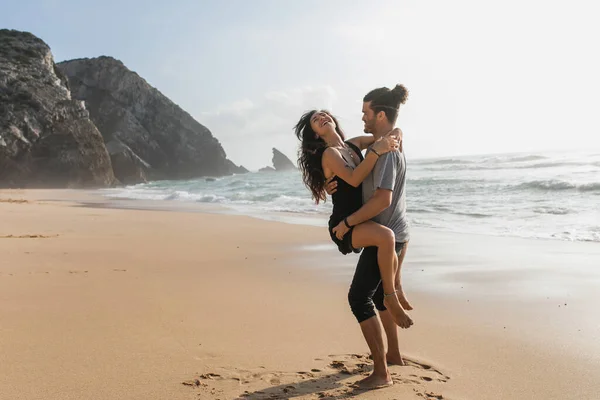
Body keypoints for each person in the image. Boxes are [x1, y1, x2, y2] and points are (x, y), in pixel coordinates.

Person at [294, 109, 410, 329]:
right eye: (315, 121)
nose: (321, 118)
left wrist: (399, 131)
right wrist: (376, 151)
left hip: (363, 219)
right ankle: (390, 295)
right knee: (387, 237)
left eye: (323, 114)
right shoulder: (329, 154)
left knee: (393, 239)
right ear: (316, 134)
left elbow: (384, 136)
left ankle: (392, 295)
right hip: (344, 223)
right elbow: (355, 179)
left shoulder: (353, 144)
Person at [330, 84, 412, 389]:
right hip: (394, 233)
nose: (362, 117)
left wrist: (348, 223)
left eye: (366, 112)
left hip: (386, 235)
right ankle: (394, 355)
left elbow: (382, 200)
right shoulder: (384, 144)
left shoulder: (388, 152)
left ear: (380, 114)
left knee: (358, 297)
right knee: (377, 296)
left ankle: (381, 374)